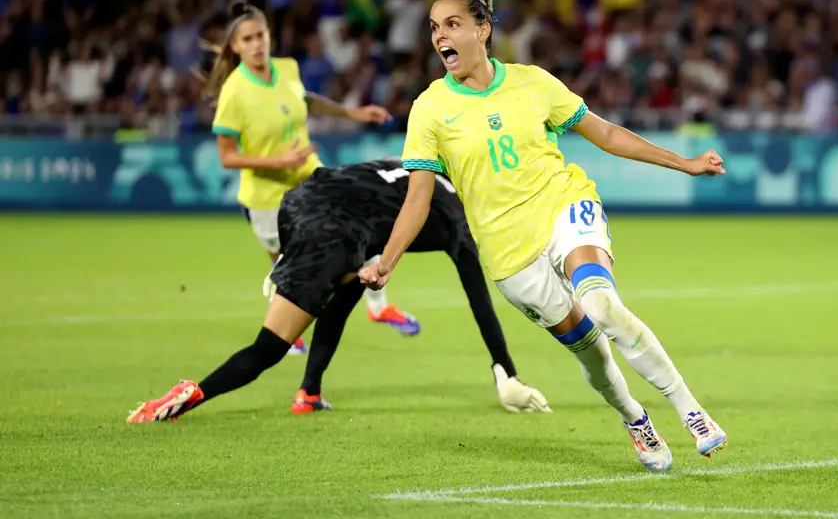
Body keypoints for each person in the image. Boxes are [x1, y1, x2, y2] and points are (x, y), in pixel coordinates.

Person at [359, 0, 728, 471]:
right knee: (591, 354)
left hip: (562, 205)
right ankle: (635, 418)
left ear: (483, 30)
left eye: (452, 24)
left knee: (601, 301)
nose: (440, 36)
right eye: (433, 28)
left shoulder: (533, 82)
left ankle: (691, 409)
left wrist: (683, 162)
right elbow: (418, 199)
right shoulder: (430, 109)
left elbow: (607, 134)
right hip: (508, 253)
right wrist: (389, 259)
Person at [126, 159, 551, 422]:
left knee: (349, 284)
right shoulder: (462, 215)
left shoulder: (424, 168)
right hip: (334, 231)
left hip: (303, 201)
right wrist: (506, 371)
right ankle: (189, 396)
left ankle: (309, 392)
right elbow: (480, 300)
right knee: (270, 347)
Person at [203, 0, 420, 356]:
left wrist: (353, 113)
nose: (257, 44)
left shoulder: (286, 68)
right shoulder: (234, 93)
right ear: (235, 46)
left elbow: (306, 100)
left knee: (359, 227)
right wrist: (279, 160)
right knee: (289, 269)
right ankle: (284, 332)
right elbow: (227, 156)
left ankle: (380, 307)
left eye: (261, 35)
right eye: (248, 39)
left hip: (309, 175)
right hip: (267, 197)